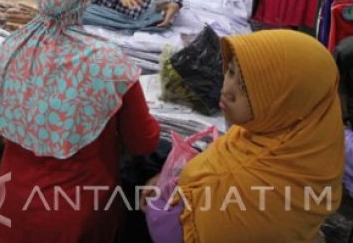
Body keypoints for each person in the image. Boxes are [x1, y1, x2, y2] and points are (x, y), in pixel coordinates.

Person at [0, 0, 160, 242]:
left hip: (16, 200)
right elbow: (143, 141)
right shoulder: (109, 63)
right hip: (77, 208)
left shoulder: (12, 48)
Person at [144, 30, 344, 242]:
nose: (227, 90)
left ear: (288, 101)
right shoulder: (305, 140)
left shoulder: (242, 200)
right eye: (230, 72)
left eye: (247, 87)